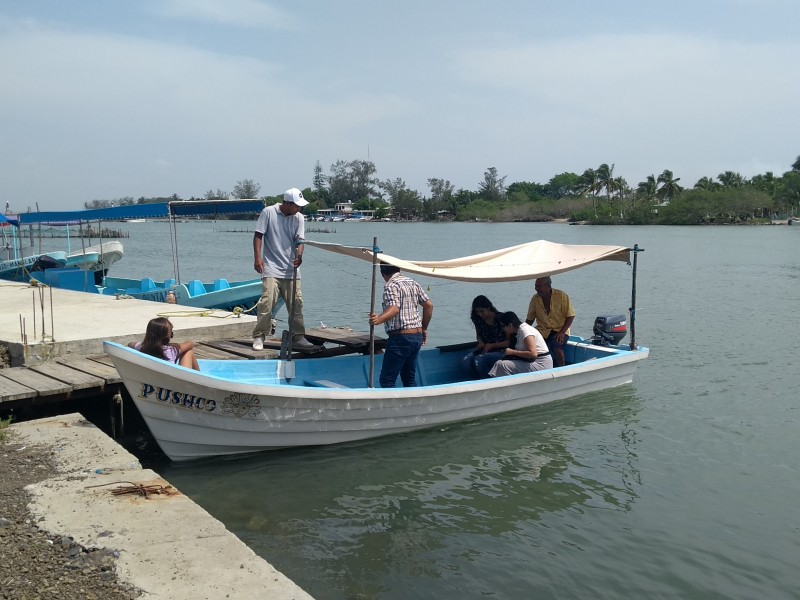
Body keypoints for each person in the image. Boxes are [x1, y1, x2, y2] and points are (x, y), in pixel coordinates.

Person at [251, 187, 321, 352]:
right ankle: (259, 335)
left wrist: (299, 255)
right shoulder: (268, 212)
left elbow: (300, 241)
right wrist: (257, 258)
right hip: (271, 267)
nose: (299, 209)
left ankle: (298, 336)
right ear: (287, 203)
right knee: (267, 303)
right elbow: (258, 235)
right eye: (296, 205)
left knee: (296, 304)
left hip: (291, 270)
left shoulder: (299, 218)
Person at [369, 264, 434, 388]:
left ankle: (390, 407)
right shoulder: (413, 283)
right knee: (409, 378)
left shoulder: (391, 285)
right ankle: (414, 404)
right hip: (416, 335)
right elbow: (429, 306)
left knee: (387, 381)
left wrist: (378, 319)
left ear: (383, 274)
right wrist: (424, 328)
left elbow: (394, 308)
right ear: (399, 270)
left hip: (401, 337)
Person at [525, 276, 575, 367]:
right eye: (536, 286)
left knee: (556, 344)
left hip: (560, 329)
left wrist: (562, 332)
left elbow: (570, 315)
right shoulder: (535, 299)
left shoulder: (561, 296)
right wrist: (523, 330)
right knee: (530, 343)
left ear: (548, 286)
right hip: (542, 330)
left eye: (539, 286)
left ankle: (562, 369)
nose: (537, 289)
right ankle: (535, 367)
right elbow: (530, 319)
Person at [488, 311, 553, 377]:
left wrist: (513, 352)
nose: (503, 329)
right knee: (499, 363)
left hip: (541, 364)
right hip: (533, 362)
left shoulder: (525, 331)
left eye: (503, 326)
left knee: (502, 365)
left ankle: (507, 385)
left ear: (510, 325)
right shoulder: (517, 332)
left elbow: (533, 354)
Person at [128, 317, 199, 370]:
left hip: (156, 376)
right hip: (176, 379)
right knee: (189, 352)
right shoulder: (171, 350)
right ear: (167, 336)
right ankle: (198, 377)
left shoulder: (142, 347)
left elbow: (130, 344)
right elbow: (190, 344)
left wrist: (141, 344)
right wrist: (175, 346)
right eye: (171, 332)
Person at [463, 295, 508, 378]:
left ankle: (488, 382)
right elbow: (479, 335)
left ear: (489, 308)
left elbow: (510, 341)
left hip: (502, 350)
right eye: (477, 312)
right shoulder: (477, 320)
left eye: (482, 311)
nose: (480, 314)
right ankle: (475, 382)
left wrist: (493, 345)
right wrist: (481, 342)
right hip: (486, 349)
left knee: (479, 360)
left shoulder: (501, 318)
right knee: (467, 360)